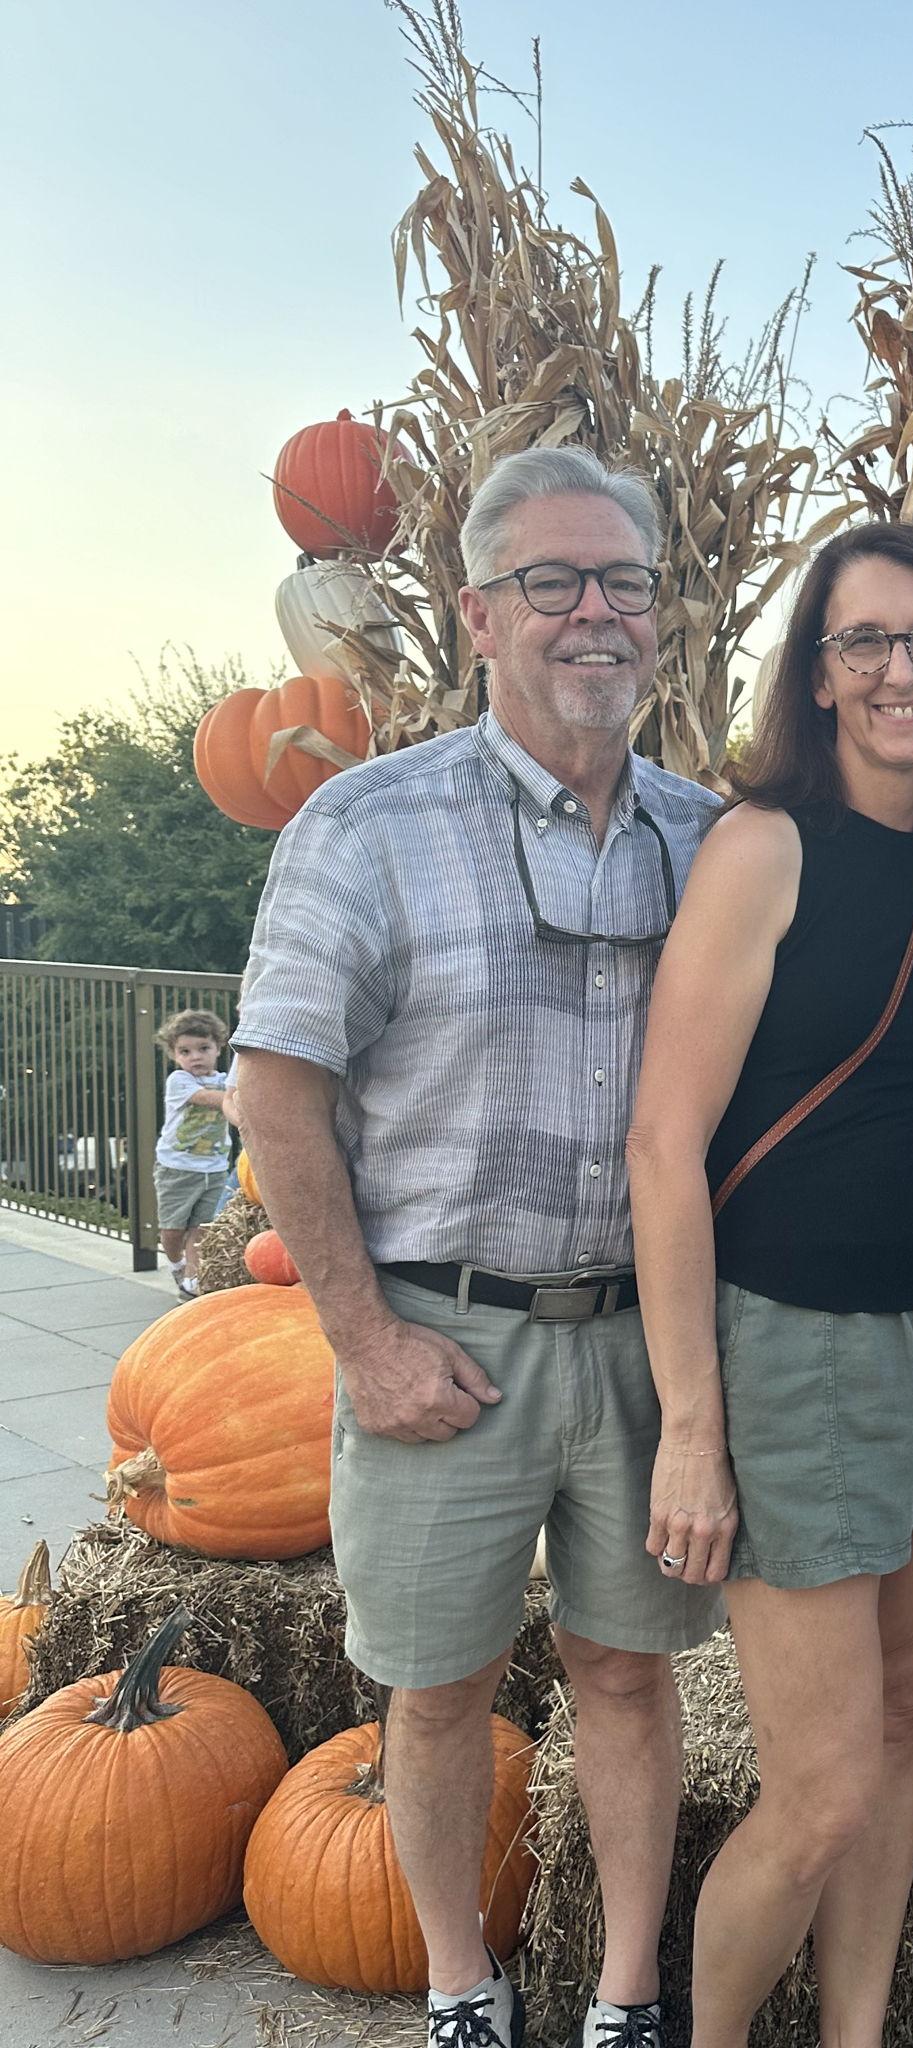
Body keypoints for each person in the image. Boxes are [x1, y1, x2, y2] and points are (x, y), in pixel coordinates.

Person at [235, 446, 731, 2048]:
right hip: (444, 1336)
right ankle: (460, 1983)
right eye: (552, 582)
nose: (595, 614)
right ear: (477, 615)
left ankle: (628, 1992)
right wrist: (365, 1341)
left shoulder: (711, 841)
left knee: (628, 1673)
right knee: (439, 1687)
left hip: (646, 1335)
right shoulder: (366, 825)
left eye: (625, 583)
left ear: (658, 610)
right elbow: (277, 1093)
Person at [626, 523, 913, 2048]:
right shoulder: (764, 846)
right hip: (795, 1344)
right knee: (822, 1786)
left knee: (903, 1725)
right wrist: (690, 1423)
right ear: (817, 673)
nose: (900, 670)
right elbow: (664, 1144)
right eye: (865, 641)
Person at [152, 1007, 232, 1297]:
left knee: (202, 1227)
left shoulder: (225, 1080)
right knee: (173, 1229)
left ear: (218, 1048)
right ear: (174, 1055)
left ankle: (192, 1281)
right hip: (178, 1169)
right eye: (185, 1051)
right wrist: (238, 1096)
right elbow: (210, 1099)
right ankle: (177, 1263)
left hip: (214, 1168)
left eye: (203, 1048)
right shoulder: (180, 1081)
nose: (195, 1057)